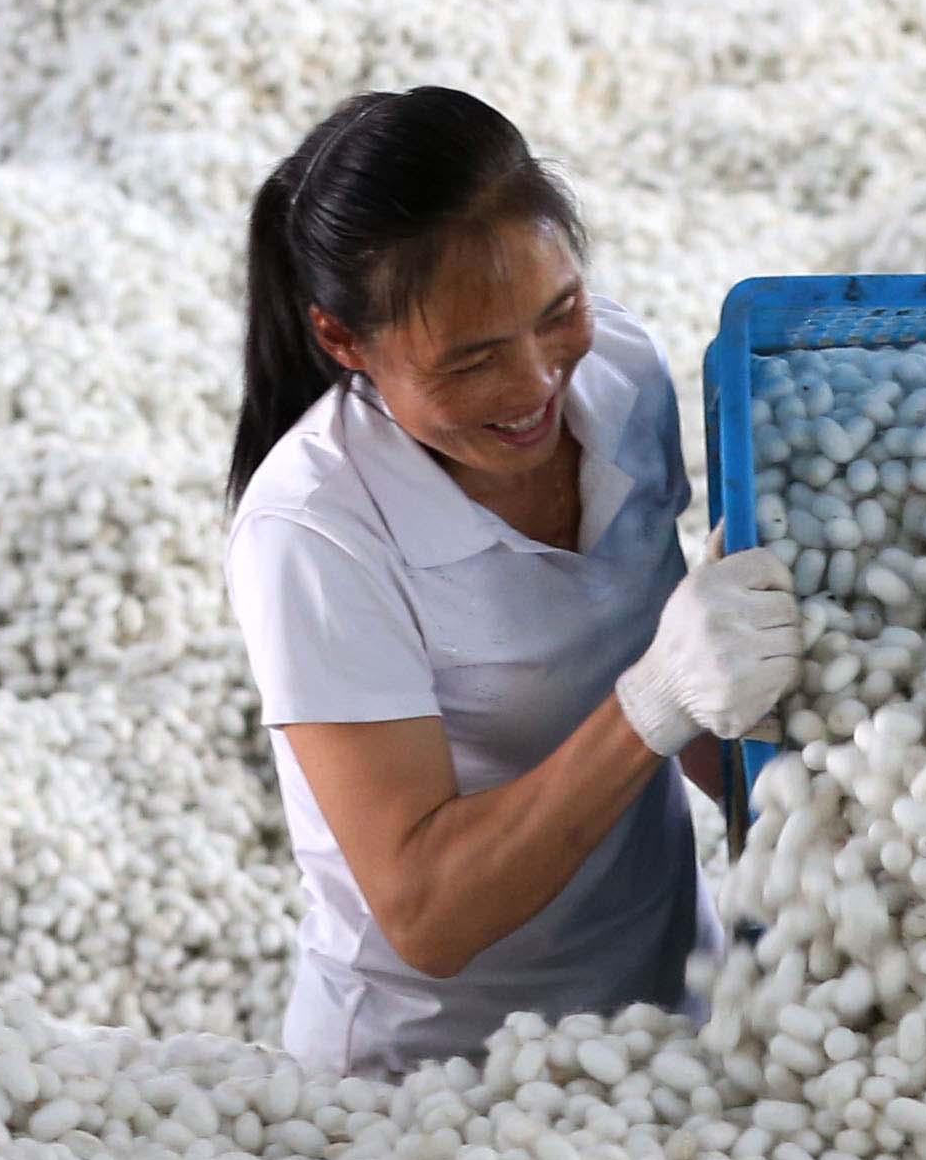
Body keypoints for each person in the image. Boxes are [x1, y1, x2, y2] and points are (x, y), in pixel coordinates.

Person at [223, 86, 801, 1073]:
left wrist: (811, 802)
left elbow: (687, 673)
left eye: (557, 311)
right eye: (471, 359)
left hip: (667, 1020)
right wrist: (651, 705)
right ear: (343, 342)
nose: (536, 383)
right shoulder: (315, 533)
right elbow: (427, 911)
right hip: (437, 1086)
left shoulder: (616, 370)